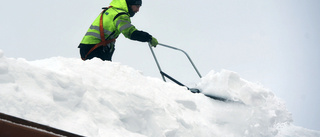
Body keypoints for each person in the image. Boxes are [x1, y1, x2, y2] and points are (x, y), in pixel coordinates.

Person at [78, 0, 158, 61]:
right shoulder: (120, 15)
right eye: (137, 6)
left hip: (88, 47)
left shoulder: (111, 10)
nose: (138, 10)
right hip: (96, 48)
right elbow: (130, 33)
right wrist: (149, 37)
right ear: (130, 4)